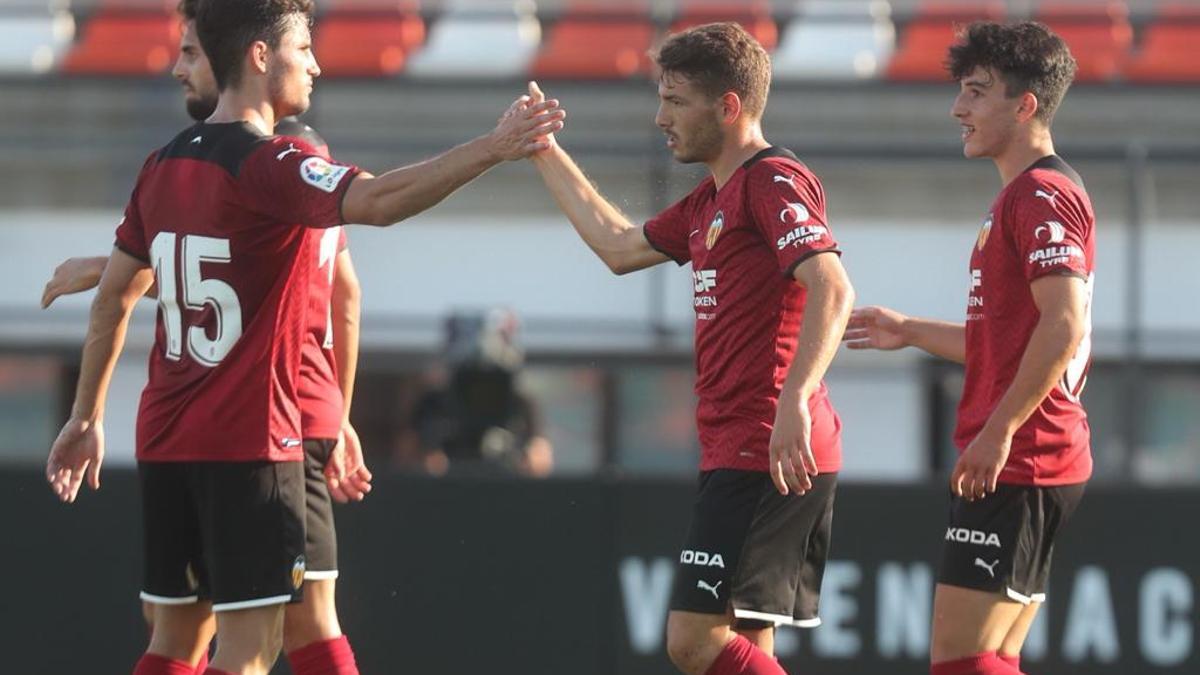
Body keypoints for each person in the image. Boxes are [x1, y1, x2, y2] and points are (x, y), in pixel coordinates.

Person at [44, 0, 564, 672]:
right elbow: (376, 203)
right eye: (303, 48)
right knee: (252, 649)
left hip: (167, 441)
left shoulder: (161, 164)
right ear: (261, 56)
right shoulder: (273, 165)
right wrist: (493, 147)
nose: (315, 63)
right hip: (251, 444)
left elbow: (114, 296)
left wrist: (85, 415)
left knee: (174, 640)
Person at [42, 4, 369, 672]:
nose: (182, 68)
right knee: (274, 632)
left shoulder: (271, 159)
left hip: (260, 415)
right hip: (255, 418)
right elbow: (260, 275)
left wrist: (110, 270)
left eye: (190, 52)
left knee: (229, 630)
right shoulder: (242, 160)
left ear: (237, 56)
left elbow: (243, 271)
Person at [527, 22, 854, 675]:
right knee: (747, 643)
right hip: (745, 443)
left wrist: (793, 398)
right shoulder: (712, 198)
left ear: (727, 105)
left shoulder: (772, 179)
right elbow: (619, 245)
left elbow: (832, 286)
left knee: (692, 638)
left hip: (769, 444)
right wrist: (540, 148)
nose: (660, 117)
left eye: (675, 101)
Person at [843, 21, 1094, 675]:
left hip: (1024, 456)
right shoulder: (1025, 195)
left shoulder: (1041, 195)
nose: (959, 108)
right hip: (1036, 455)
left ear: (1026, 104)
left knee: (960, 660)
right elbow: (1013, 340)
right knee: (990, 656)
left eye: (976, 92)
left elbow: (1062, 327)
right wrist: (911, 330)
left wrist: (999, 430)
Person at [409, 309, 553, 477]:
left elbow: (541, 459)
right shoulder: (433, 403)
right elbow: (407, 455)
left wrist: (524, 459)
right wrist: (431, 458)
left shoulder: (520, 404)